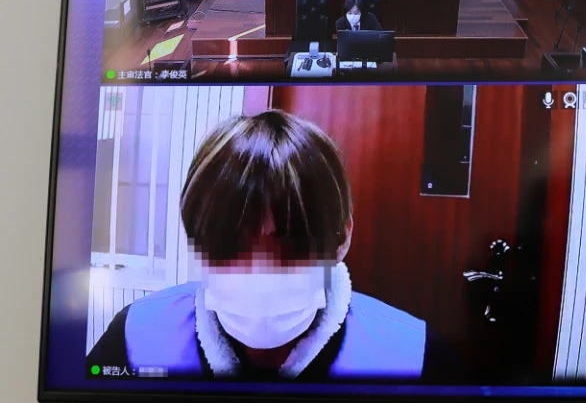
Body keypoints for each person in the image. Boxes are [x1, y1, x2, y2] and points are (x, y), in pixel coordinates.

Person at [86, 110, 457, 381]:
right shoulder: (135, 338)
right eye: (231, 242)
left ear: (342, 239)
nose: (259, 270)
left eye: (293, 244)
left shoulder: (414, 357)